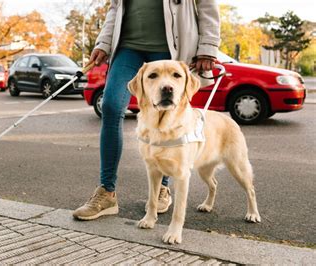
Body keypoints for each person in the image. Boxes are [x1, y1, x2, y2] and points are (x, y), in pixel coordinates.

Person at [73, 0, 220, 220]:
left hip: (172, 45)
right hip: (127, 47)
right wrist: (103, 43)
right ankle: (106, 192)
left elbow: (207, 5)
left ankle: (163, 186)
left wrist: (207, 46)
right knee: (111, 106)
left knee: (169, 114)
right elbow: (116, 7)